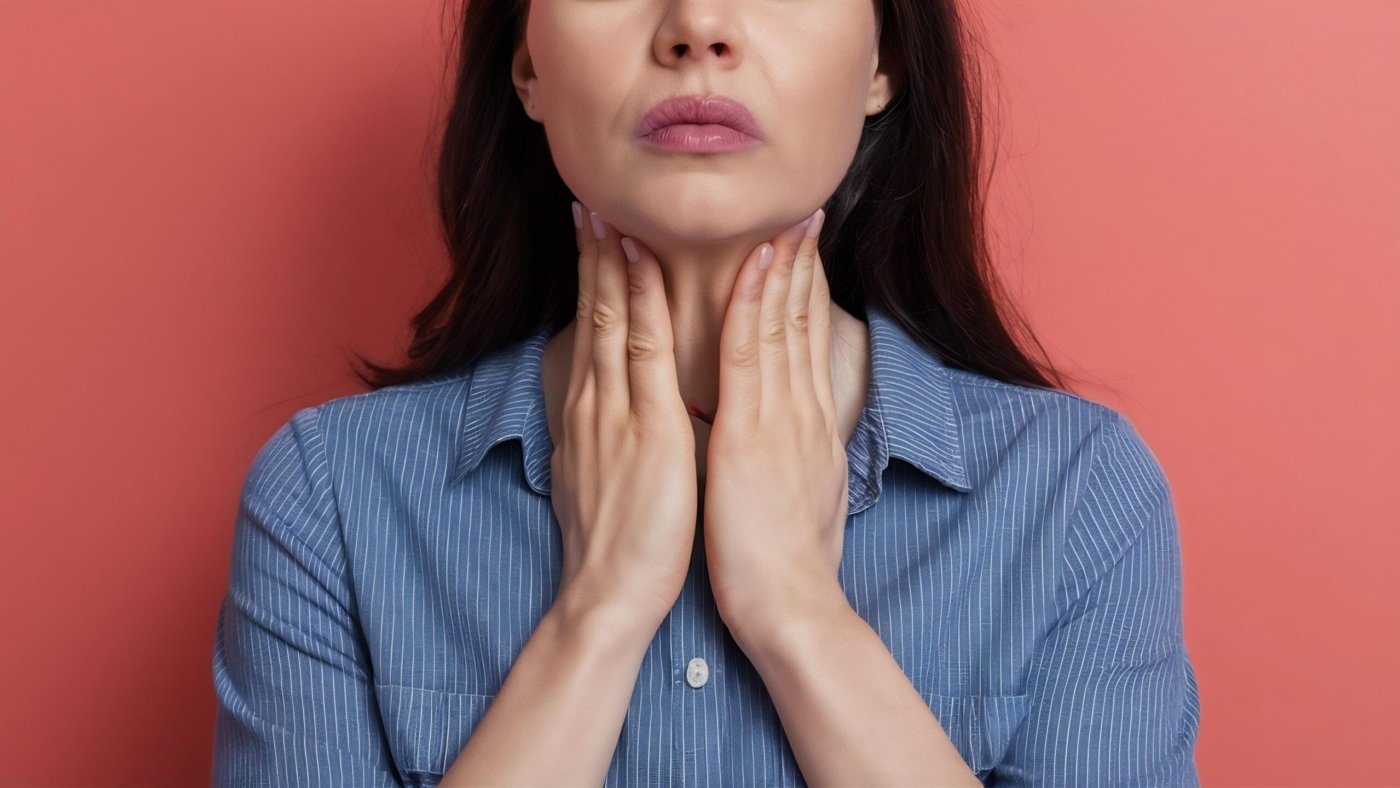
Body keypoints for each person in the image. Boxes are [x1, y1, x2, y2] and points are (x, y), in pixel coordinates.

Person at [210, 0, 1202, 785]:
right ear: (524, 64)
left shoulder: (1077, 496)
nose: (696, 26)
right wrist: (594, 616)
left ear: (882, 60)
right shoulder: (331, 498)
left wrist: (798, 616)